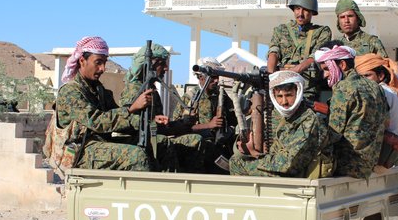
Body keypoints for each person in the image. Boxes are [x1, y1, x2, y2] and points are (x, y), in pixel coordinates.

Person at [55, 36, 152, 171]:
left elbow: (117, 120)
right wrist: (130, 108)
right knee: (136, 155)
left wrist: (149, 122)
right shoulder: (70, 91)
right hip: (79, 151)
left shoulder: (99, 90)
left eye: (105, 63)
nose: (102, 68)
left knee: (152, 142)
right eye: (98, 63)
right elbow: (97, 122)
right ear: (82, 61)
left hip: (99, 145)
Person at [119, 43, 208, 173]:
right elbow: (127, 123)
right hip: (138, 141)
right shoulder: (135, 89)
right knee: (165, 143)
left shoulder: (152, 89)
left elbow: (161, 126)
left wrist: (183, 123)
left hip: (155, 135)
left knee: (196, 139)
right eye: (162, 64)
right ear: (150, 65)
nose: (166, 68)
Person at [229, 71, 332, 177]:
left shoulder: (310, 120)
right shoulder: (278, 115)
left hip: (297, 172)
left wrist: (254, 155)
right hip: (283, 168)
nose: (284, 102)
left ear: (298, 93)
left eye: (289, 95)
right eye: (279, 96)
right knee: (236, 159)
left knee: (237, 164)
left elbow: (289, 163)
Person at [314, 42, 388, 179]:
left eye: (327, 69)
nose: (325, 75)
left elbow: (333, 133)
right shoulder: (376, 87)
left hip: (346, 165)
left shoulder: (344, 87)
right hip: (367, 165)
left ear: (342, 65)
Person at [267, 0, 331, 102]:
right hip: (282, 87)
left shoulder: (322, 32)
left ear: (312, 12)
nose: (300, 13)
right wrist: (270, 76)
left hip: (307, 88)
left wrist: (292, 72)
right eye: (297, 9)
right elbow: (273, 52)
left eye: (305, 10)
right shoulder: (281, 30)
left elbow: (315, 56)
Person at [355, 53, 398, 168]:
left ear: (381, 75)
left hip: (382, 152)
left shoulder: (383, 92)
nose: (363, 81)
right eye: (360, 77)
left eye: (367, 76)